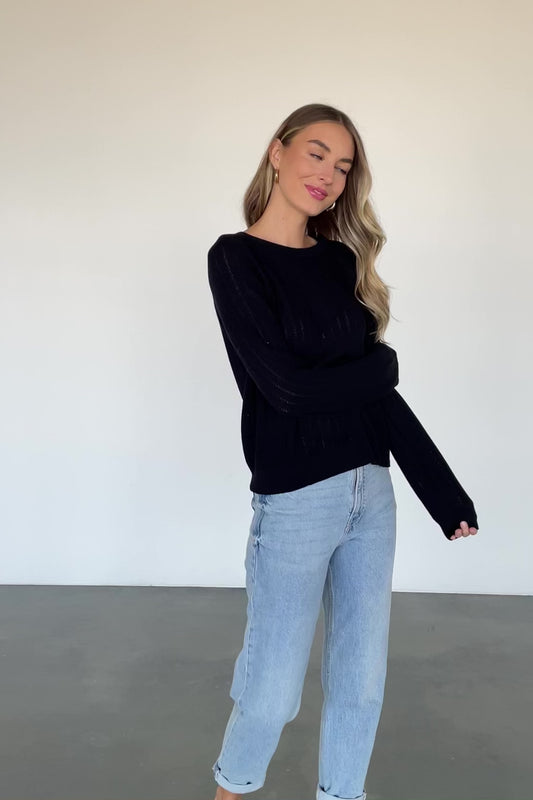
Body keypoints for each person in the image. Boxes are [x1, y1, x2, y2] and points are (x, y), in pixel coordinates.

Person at [206, 103, 479, 800]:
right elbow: (286, 390)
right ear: (277, 152)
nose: (328, 174)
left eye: (344, 165)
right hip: (296, 500)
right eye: (317, 153)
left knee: (360, 685)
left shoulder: (338, 261)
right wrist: (380, 365)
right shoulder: (235, 259)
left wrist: (442, 493)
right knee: (271, 691)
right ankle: (232, 787)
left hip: (371, 494)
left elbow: (375, 401)